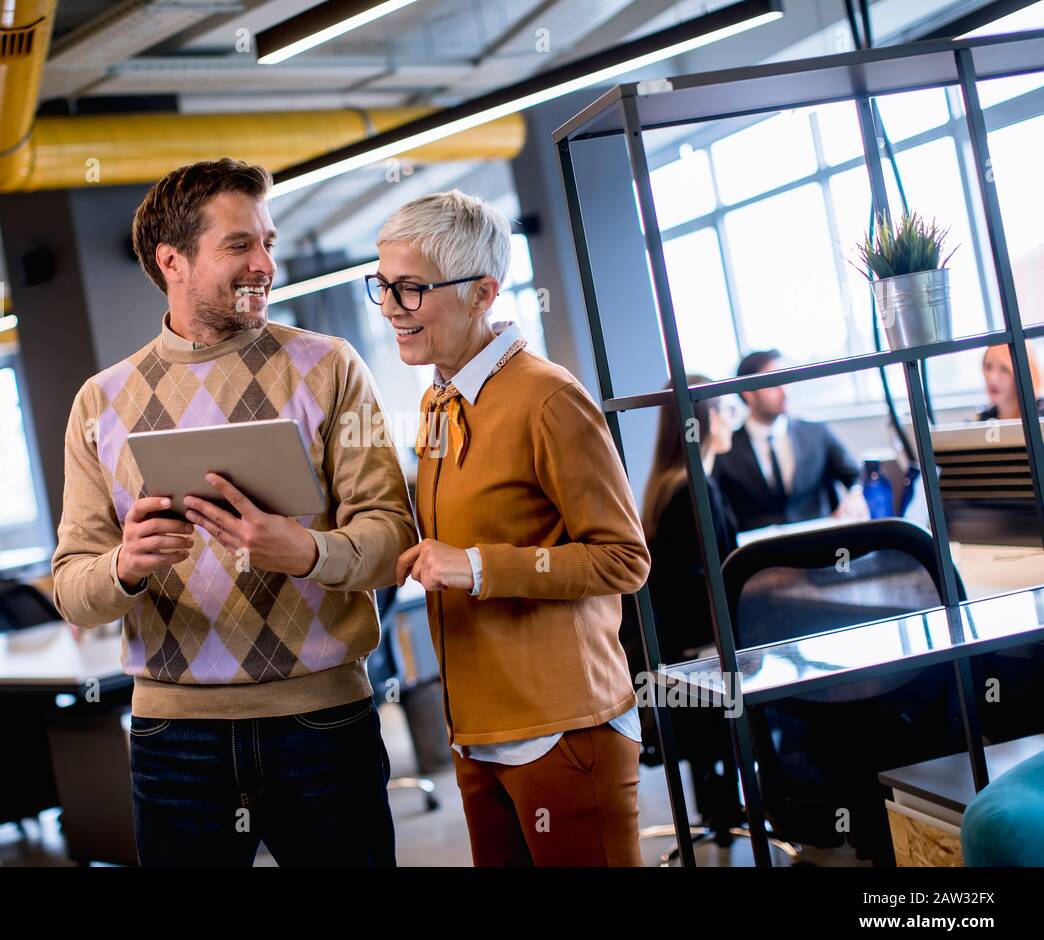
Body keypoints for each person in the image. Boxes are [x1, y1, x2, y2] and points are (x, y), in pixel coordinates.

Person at [51, 158, 418, 867]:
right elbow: (73, 586)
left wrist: (309, 552)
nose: (264, 265)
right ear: (172, 260)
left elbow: (391, 535)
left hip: (320, 722)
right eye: (239, 245)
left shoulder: (329, 366)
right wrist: (124, 567)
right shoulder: (101, 401)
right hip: (174, 739)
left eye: (269, 243)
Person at [381, 190, 651, 867]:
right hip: (477, 729)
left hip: (561, 726)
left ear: (481, 293)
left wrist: (475, 565)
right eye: (383, 287)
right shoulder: (439, 402)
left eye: (411, 289)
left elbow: (623, 559)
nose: (390, 308)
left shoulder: (548, 398)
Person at [640, 377, 743, 836]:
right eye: (725, 410)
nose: (732, 420)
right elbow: (704, 586)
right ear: (705, 421)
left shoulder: (670, 484)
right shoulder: (692, 491)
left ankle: (722, 806)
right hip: (701, 658)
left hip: (686, 656)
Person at [714, 349, 863, 532]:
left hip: (819, 542)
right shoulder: (726, 448)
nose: (784, 392)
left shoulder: (816, 433)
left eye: (785, 382)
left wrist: (855, 495)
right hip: (758, 553)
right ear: (748, 394)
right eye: (773, 385)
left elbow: (854, 474)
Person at [977, 342, 1044, 421]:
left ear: (1024, 373)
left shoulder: (1041, 418)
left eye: (1004, 369)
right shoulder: (981, 421)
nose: (992, 378)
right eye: (988, 366)